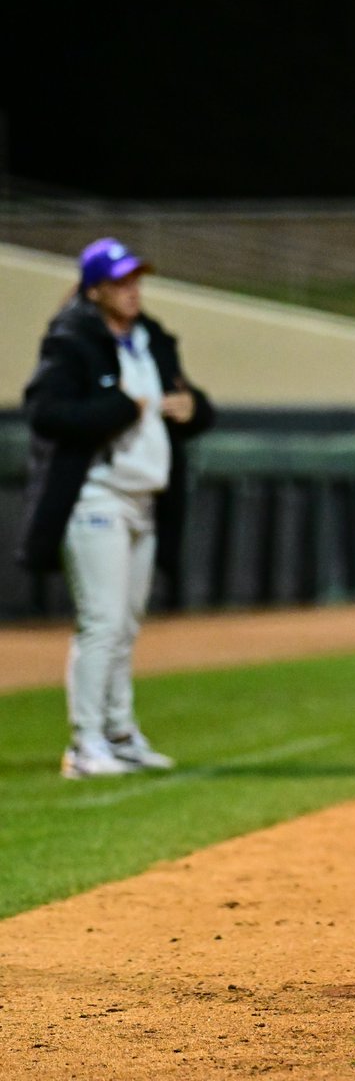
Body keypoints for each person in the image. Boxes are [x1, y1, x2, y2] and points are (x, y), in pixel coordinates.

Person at [17, 238, 216, 780]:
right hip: (95, 494)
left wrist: (192, 408)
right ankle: (85, 746)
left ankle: (121, 733)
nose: (133, 291)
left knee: (125, 624)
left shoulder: (150, 338)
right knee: (101, 623)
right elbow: (44, 412)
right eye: (121, 282)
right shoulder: (72, 340)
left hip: (146, 498)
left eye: (136, 281)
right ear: (95, 289)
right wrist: (118, 407)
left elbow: (195, 406)